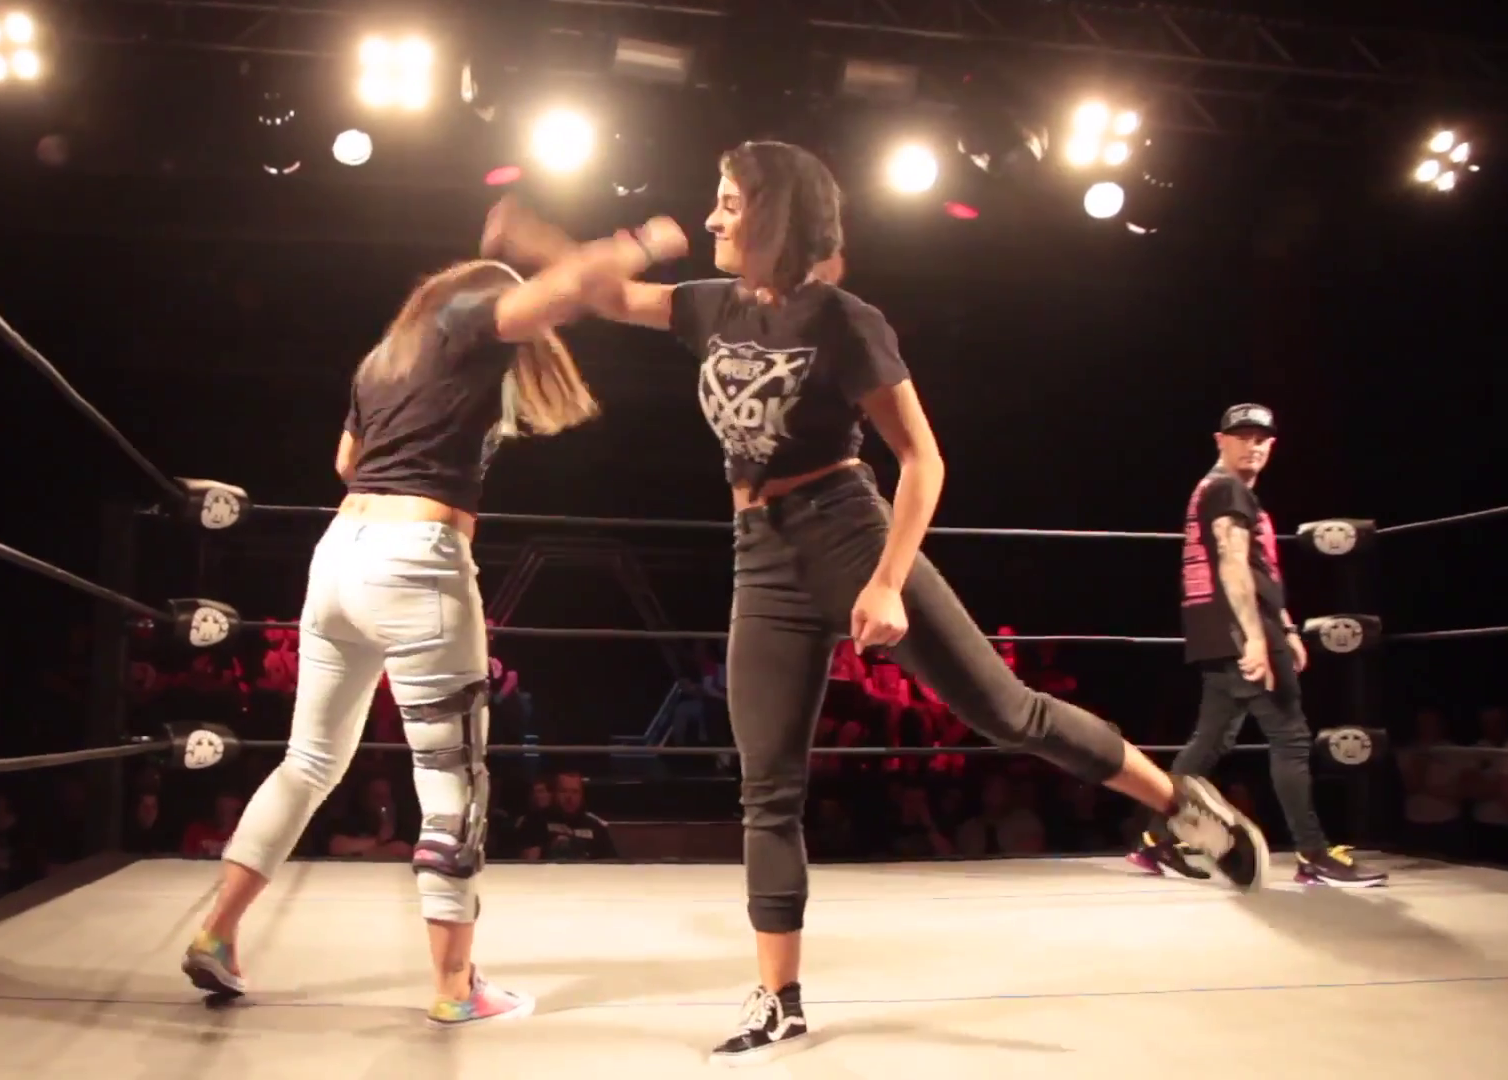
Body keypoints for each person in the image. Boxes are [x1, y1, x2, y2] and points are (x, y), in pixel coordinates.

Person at [487, 142, 1272, 1065]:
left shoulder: (844, 320)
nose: (712, 218)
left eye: (729, 202)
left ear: (774, 214)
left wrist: (888, 579)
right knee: (766, 788)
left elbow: (922, 459)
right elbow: (604, 294)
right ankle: (780, 998)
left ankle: (1179, 803)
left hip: (849, 532)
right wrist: (554, 240)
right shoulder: (708, 305)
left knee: (1007, 712)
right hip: (759, 555)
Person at [179, 205, 690, 1029]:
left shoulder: (383, 359)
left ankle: (217, 931)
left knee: (308, 762)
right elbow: (560, 292)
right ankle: (456, 984)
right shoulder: (469, 318)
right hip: (416, 558)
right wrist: (638, 245)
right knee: (452, 777)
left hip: (338, 557)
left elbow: (346, 461)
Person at [1129, 405, 1386, 888]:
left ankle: (1155, 841)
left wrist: (1285, 628)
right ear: (1220, 440)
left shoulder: (1218, 489)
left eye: (1261, 438)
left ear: (1273, 445)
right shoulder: (1227, 489)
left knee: (1209, 743)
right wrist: (1255, 638)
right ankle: (1314, 855)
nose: (1253, 445)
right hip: (1240, 632)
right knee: (1290, 737)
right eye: (1242, 436)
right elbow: (1232, 561)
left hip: (1220, 631)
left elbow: (1257, 567)